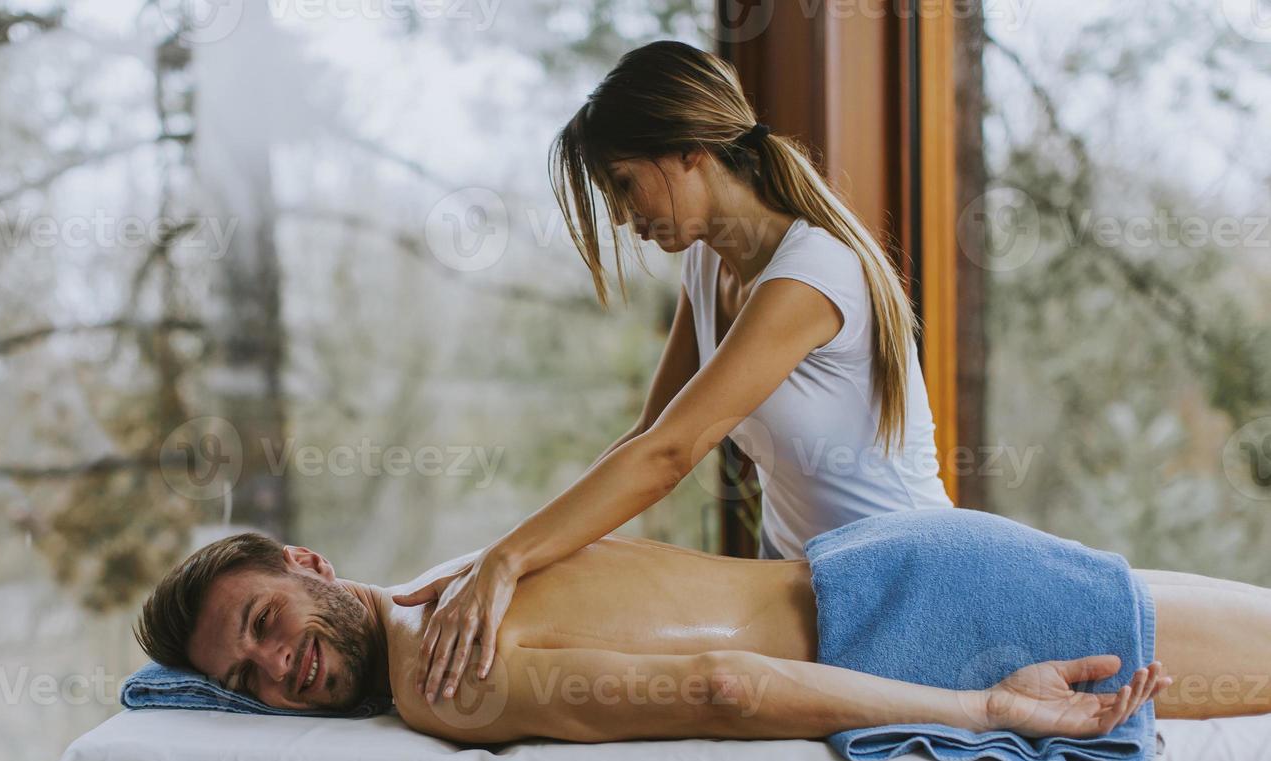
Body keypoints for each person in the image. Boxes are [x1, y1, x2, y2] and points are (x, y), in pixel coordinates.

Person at [391, 40, 954, 704]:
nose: (626, 219)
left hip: (907, 586)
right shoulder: (710, 263)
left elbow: (668, 456)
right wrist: (507, 557)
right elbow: (647, 433)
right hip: (803, 585)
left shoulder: (811, 275)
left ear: (690, 150)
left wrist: (508, 560)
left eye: (624, 184)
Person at [130, 507, 1271, 748]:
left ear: (310, 563)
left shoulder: (440, 668)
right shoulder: (456, 574)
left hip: (911, 616)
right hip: (894, 563)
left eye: (266, 622)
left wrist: (979, 707)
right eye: (247, 678)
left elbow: (727, 684)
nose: (281, 664)